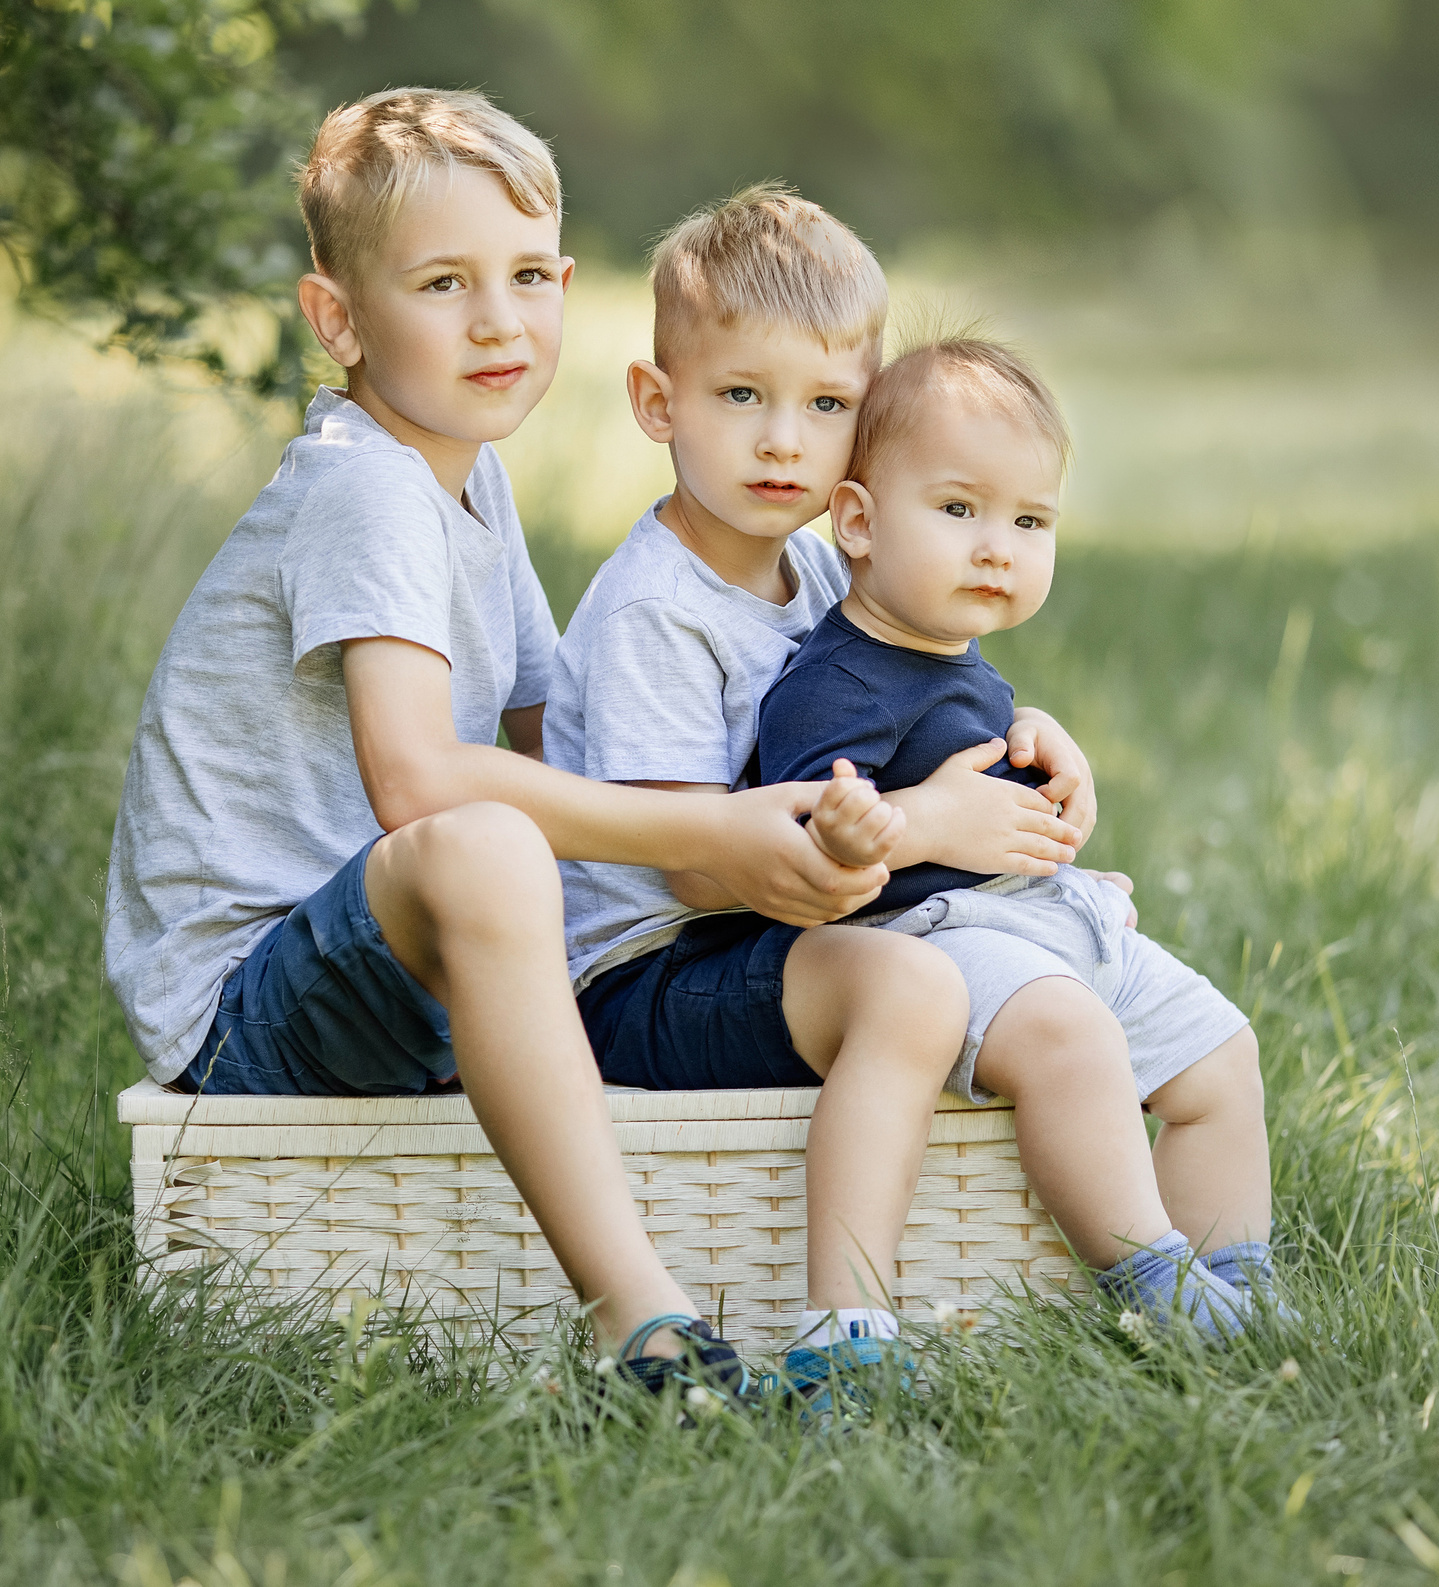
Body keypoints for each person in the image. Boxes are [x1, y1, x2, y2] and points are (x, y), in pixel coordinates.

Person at [103, 91, 893, 1399]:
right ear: (338, 320)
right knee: (479, 847)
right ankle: (641, 1321)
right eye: (443, 283)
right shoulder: (366, 485)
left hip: (384, 964)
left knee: (529, 859)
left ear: (568, 285)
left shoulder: (470, 475)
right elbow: (417, 781)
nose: (498, 320)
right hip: (248, 997)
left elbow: (549, 727)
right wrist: (707, 833)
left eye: (528, 276)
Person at [545, 188, 1110, 1409]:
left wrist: (1022, 742)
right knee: (912, 982)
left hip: (776, 935)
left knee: (1043, 954)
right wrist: (924, 829)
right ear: (659, 404)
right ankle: (843, 1329)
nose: (781, 444)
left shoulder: (814, 560)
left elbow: (913, 697)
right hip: (650, 976)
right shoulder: (658, 610)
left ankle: (1156, 1245)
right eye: (739, 396)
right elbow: (693, 869)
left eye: (826, 407)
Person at [757, 335, 1281, 1340]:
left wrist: (1034, 739)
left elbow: (962, 745)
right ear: (858, 523)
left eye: (1028, 519)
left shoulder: (954, 654)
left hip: (1029, 919)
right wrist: (902, 824)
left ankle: (1239, 1280)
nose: (996, 544)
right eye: (957, 510)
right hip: (927, 936)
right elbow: (797, 841)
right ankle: (1150, 1277)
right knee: (1071, 1035)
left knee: (1218, 1054)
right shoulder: (836, 680)